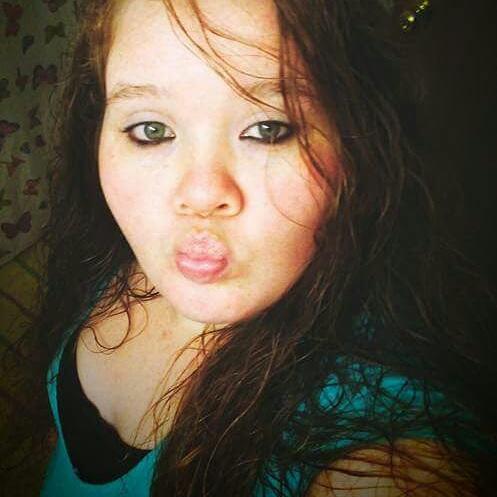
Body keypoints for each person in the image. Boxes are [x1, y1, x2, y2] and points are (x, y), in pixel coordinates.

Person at [27, 0, 497, 496]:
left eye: (268, 130)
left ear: (356, 145)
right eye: (151, 131)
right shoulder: (115, 259)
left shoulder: (383, 455)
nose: (200, 195)